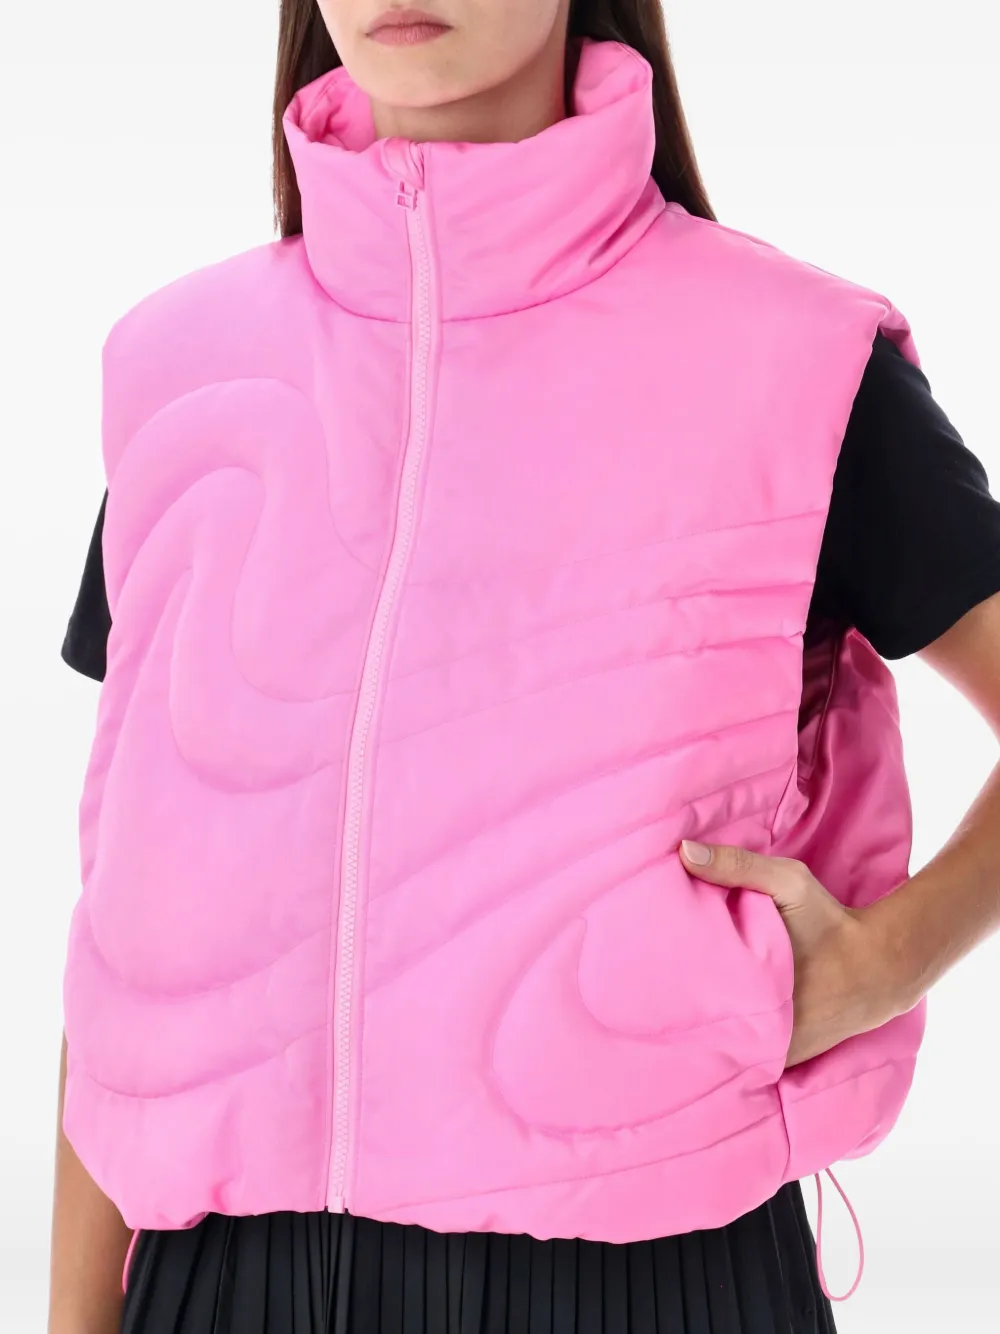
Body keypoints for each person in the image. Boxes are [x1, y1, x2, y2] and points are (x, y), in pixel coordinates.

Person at [48, 3, 1000, 1333]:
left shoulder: (787, 358)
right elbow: (136, 925)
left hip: (646, 1279)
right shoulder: (182, 371)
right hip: (219, 1285)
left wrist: (883, 964)